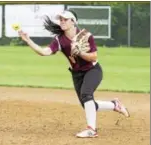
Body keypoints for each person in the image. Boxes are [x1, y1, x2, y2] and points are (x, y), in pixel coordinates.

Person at [18, 10, 130, 138]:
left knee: (86, 94)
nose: (62, 21)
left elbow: (94, 57)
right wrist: (28, 41)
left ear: (73, 21)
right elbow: (45, 52)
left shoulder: (85, 36)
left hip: (93, 70)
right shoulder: (59, 40)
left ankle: (91, 130)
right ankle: (114, 105)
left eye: (65, 19)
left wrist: (80, 53)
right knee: (88, 104)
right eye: (61, 19)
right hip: (77, 74)